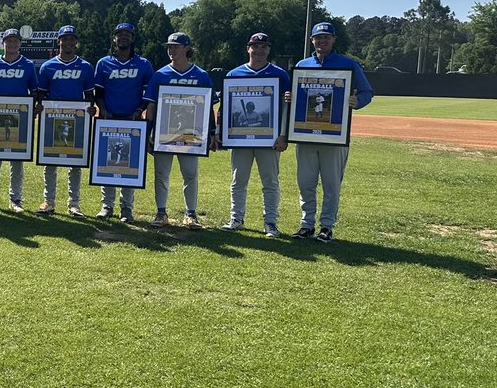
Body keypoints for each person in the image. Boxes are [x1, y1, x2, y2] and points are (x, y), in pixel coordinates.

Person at [291, 21, 374, 243]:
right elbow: (297, 97)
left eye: (326, 37)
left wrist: (357, 101)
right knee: (305, 182)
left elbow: (367, 92)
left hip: (334, 134)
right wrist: (290, 98)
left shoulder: (348, 64)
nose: (322, 41)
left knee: (331, 183)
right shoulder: (303, 64)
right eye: (318, 37)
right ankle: (307, 224)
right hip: (305, 134)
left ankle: (326, 226)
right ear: (312, 40)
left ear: (333, 40)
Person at [217, 32, 290, 238]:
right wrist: (222, 132)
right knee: (238, 180)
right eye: (255, 46)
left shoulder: (280, 75)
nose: (259, 51)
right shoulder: (234, 75)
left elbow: (287, 108)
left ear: (268, 50)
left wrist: (283, 136)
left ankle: (271, 223)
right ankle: (236, 218)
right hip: (240, 138)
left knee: (270, 182)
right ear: (248, 48)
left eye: (263, 47)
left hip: (270, 139)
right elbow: (225, 108)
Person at [143, 32, 214, 229]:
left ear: (186, 48)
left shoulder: (201, 75)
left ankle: (190, 214)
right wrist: (149, 133)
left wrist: (211, 134)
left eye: (175, 46)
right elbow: (151, 107)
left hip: (191, 134)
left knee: (190, 173)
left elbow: (208, 108)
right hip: (164, 133)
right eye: (169, 46)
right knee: (161, 174)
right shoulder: (160, 75)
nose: (171, 50)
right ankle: (161, 213)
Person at [92, 22, 153, 221]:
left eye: (127, 34)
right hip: (109, 119)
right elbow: (98, 92)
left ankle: (126, 208)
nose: (123, 37)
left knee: (129, 166)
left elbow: (149, 94)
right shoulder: (103, 63)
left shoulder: (143, 64)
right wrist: (103, 109)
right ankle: (107, 206)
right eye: (120, 34)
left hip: (132, 121)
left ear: (133, 39)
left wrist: (139, 110)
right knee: (107, 164)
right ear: (114, 39)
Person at [37, 25, 94, 218]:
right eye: (64, 39)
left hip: (76, 121)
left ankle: (74, 203)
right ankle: (49, 201)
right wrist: (39, 107)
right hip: (53, 120)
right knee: (50, 162)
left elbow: (89, 95)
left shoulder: (85, 67)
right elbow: (42, 95)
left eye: (71, 39)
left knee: (75, 163)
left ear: (76, 42)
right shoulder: (48, 66)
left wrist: (90, 110)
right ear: (58, 41)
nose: (68, 42)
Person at [0, 28, 39, 213]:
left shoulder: (28, 65)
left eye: (16, 41)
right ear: (3, 43)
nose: (12, 44)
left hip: (19, 118)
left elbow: (35, 91)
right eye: (9, 41)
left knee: (17, 162)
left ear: (20, 44)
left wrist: (33, 109)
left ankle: (16, 200)